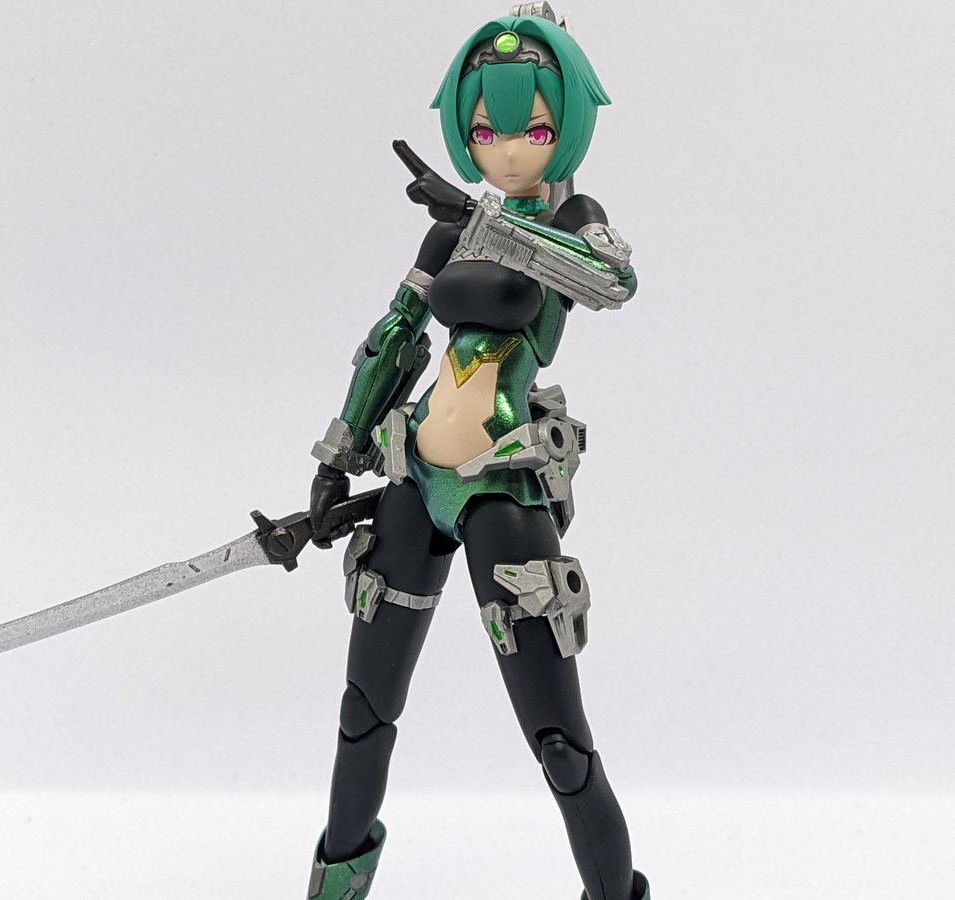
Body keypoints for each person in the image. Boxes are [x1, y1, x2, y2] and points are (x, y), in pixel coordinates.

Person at [306, 13, 649, 900]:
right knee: (364, 714)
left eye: (532, 128)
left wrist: (486, 222)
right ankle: (335, 886)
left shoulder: (573, 219)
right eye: (488, 131)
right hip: (413, 483)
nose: (508, 150)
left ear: (568, 126)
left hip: (503, 486)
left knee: (559, 742)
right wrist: (339, 455)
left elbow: (613, 282)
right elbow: (393, 338)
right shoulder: (448, 233)